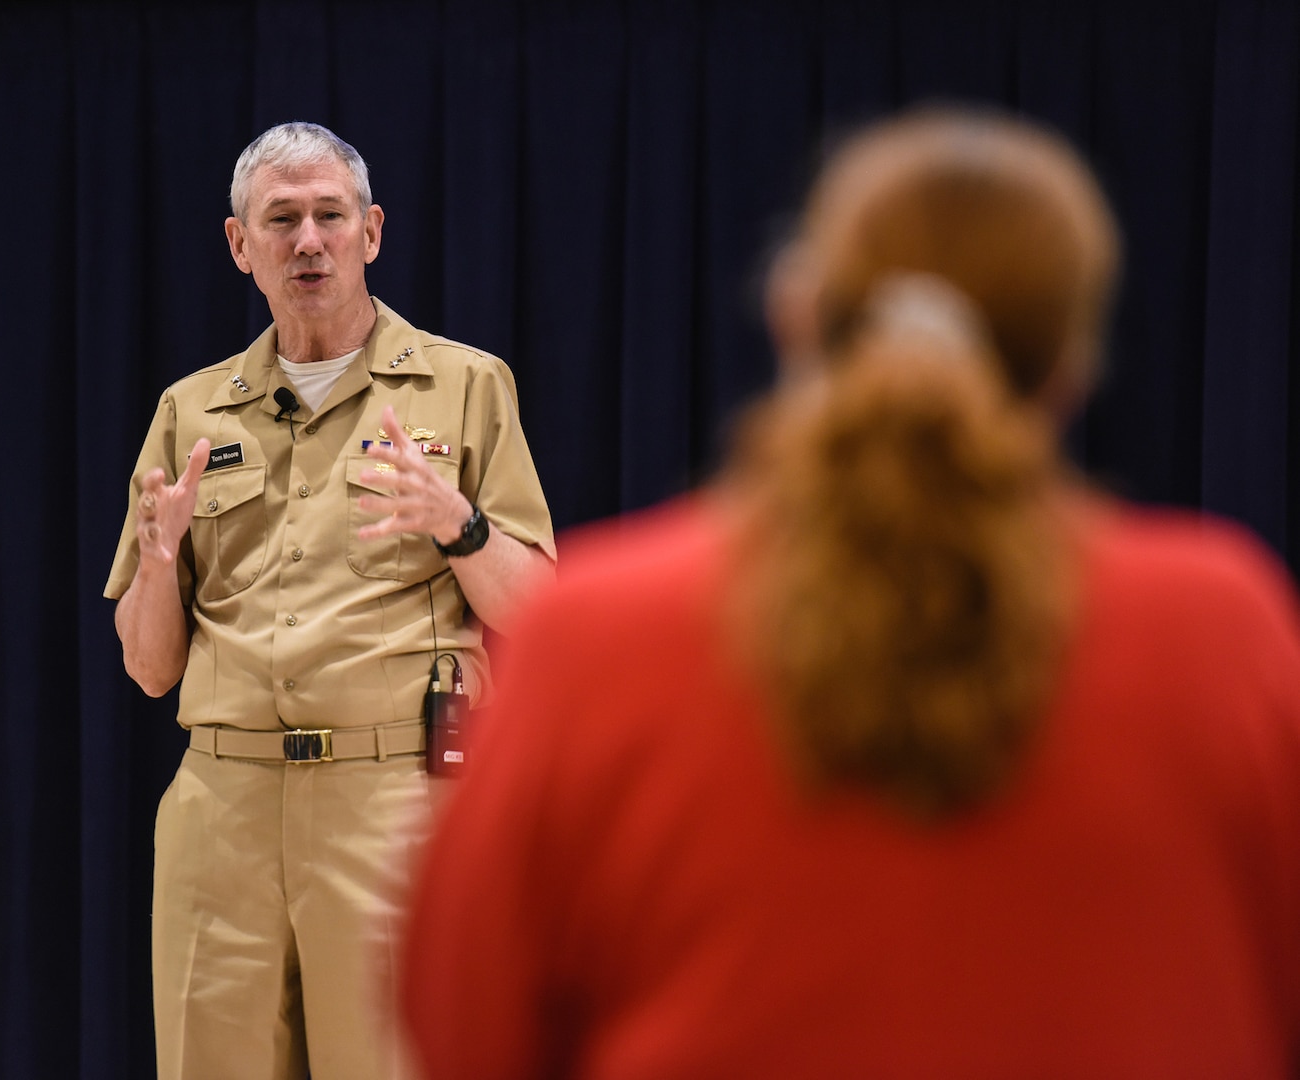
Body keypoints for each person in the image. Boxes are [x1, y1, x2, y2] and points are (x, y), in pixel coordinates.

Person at [399, 107, 1300, 1077]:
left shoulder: (595, 636)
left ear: (796, 313)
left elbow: (463, 1023)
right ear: (1072, 365)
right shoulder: (1222, 631)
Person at [105, 121, 555, 1080]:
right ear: (241, 246)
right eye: (281, 220)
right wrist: (157, 562)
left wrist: (459, 523)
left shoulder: (465, 386)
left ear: (372, 232)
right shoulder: (191, 413)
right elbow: (148, 668)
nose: (308, 241)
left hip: (393, 803)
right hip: (221, 806)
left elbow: (539, 613)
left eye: (329, 217)